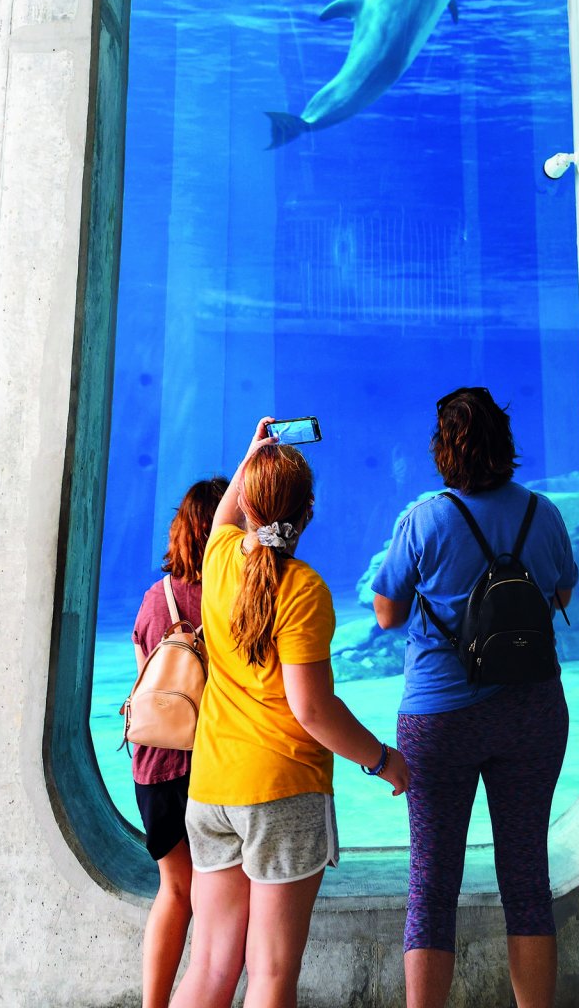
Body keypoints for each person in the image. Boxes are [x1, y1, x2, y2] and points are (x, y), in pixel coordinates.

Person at [170, 418, 409, 1008]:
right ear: (308, 513)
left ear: (247, 501)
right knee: (271, 974)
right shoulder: (303, 588)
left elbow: (228, 515)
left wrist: (253, 454)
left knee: (208, 966)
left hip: (211, 791)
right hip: (282, 795)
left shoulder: (219, 559)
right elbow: (312, 707)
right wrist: (382, 760)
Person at [372, 386, 578, 1008]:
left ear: (442, 450)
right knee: (526, 880)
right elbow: (561, 595)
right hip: (533, 712)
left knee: (432, 885)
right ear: (506, 445)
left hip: (440, 718)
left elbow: (386, 613)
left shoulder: (424, 520)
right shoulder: (542, 513)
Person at [130, 475, 227, 1008]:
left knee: (174, 891)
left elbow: (146, 676)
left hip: (153, 766)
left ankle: (156, 1003)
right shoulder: (230, 592)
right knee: (217, 899)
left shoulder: (155, 596)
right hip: (211, 764)